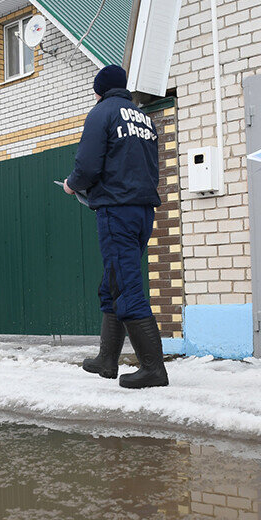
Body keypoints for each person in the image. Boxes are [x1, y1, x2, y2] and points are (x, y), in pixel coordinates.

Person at [63, 64, 167, 389]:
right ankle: (107, 359)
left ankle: (153, 369)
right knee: (113, 282)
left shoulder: (102, 113)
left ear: (99, 89)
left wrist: (72, 184)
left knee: (125, 286)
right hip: (142, 210)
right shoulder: (143, 119)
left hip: (116, 210)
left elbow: (88, 164)